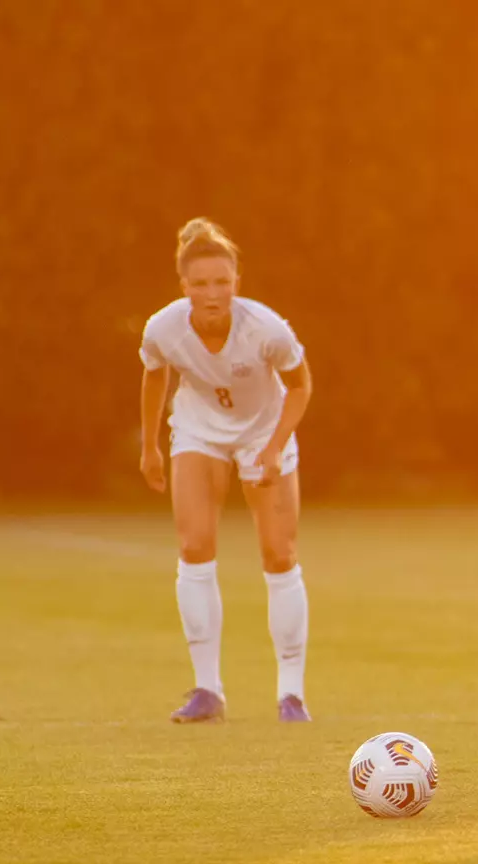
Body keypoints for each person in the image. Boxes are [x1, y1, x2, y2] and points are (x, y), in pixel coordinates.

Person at [138, 218, 313, 723]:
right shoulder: (163, 328)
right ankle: (207, 690)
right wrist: (150, 446)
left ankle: (291, 695)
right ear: (184, 288)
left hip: (265, 431)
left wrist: (275, 448)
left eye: (222, 282)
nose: (212, 293)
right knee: (194, 547)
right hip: (198, 429)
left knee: (279, 554)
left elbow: (300, 386)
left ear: (237, 282)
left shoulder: (267, 329)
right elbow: (154, 376)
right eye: (200, 284)